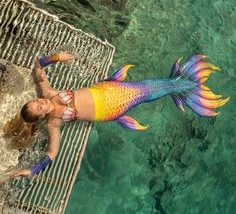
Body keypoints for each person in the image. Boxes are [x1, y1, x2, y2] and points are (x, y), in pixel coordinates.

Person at [10, 52, 229, 178]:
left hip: (106, 90)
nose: (40, 102)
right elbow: (52, 152)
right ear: (40, 117)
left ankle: (181, 84)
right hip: (109, 109)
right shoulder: (54, 124)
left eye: (35, 100)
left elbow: (38, 68)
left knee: (143, 87)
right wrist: (32, 170)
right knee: (143, 92)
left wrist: (56, 57)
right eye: (38, 107)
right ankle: (184, 86)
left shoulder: (48, 92)